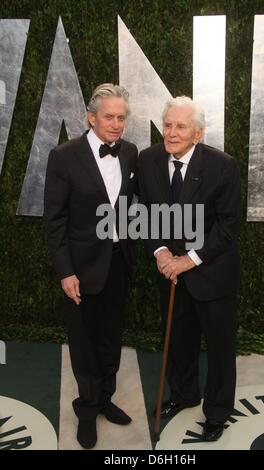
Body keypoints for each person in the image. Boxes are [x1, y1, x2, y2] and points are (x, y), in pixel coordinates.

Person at [139, 96, 241, 442]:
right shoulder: (148, 159)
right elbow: (143, 212)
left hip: (210, 273)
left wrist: (188, 260)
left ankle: (217, 411)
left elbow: (227, 227)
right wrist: (161, 251)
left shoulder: (222, 165)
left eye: (180, 126)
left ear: (197, 133)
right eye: (167, 125)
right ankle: (183, 395)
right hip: (169, 274)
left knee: (220, 348)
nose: (171, 132)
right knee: (178, 340)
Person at [44, 83, 138, 449]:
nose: (116, 124)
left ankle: (104, 398)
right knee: (83, 343)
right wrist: (66, 271)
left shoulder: (129, 153)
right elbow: (55, 221)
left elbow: (134, 205)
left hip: (118, 261)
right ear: (91, 117)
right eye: (109, 117)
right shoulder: (64, 157)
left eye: (121, 118)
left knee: (110, 337)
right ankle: (86, 411)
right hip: (80, 269)